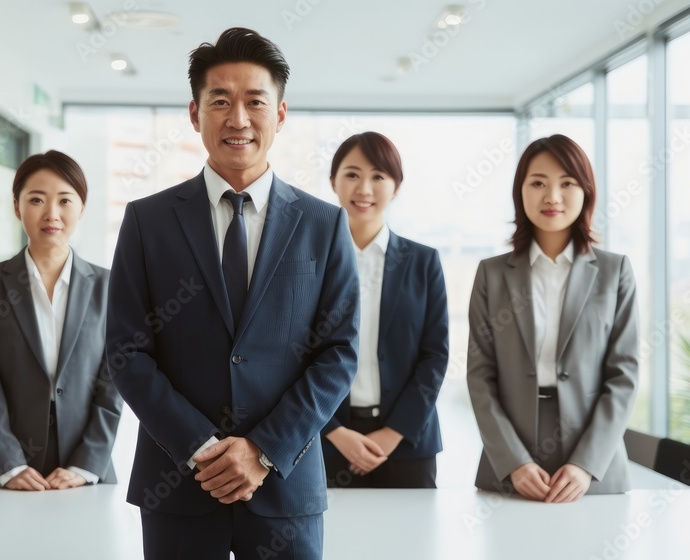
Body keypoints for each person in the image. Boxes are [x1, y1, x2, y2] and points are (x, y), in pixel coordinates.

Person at [106, 27, 359, 560]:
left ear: (281, 114)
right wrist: (200, 448)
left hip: (286, 489)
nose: (237, 118)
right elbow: (127, 351)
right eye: (220, 101)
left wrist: (264, 449)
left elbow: (338, 353)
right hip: (179, 486)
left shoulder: (324, 225)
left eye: (254, 102)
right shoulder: (147, 221)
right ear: (195, 114)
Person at [467, 134, 639, 503]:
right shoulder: (492, 274)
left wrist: (585, 464)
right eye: (538, 183)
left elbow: (623, 377)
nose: (552, 196)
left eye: (567, 183)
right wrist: (514, 462)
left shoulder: (614, 271)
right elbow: (480, 377)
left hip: (594, 469)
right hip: (512, 466)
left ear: (586, 192)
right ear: (521, 192)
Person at [0, 150, 122, 490]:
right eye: (36, 199)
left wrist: (86, 465)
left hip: (85, 469)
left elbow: (114, 383)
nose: (52, 213)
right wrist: (9, 465)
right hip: (1, 468)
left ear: (81, 207)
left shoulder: (109, 286)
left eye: (65, 200)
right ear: (16, 206)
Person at [321, 132, 449, 488]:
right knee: (330, 544)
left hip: (408, 443)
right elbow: (290, 356)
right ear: (334, 182)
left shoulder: (423, 262)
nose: (364, 188)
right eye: (352, 174)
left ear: (396, 186)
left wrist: (392, 434)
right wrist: (334, 432)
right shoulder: (309, 261)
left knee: (411, 543)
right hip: (324, 443)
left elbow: (435, 356)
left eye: (378, 176)